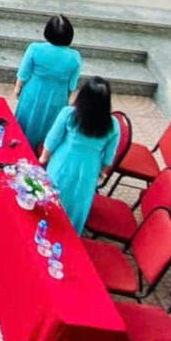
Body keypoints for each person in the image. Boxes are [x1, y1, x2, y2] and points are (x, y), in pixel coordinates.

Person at [40, 77, 122, 234]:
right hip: (89, 170)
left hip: (63, 163)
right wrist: (101, 171)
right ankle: (69, 235)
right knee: (77, 203)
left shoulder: (69, 114)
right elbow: (108, 157)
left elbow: (52, 139)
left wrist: (44, 158)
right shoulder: (113, 124)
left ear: (83, 96)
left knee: (52, 195)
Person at [12, 15, 81, 147]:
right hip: (58, 96)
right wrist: (67, 99)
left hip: (33, 92)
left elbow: (24, 72)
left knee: (25, 122)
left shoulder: (35, 48)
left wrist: (18, 87)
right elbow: (72, 84)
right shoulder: (75, 57)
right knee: (50, 126)